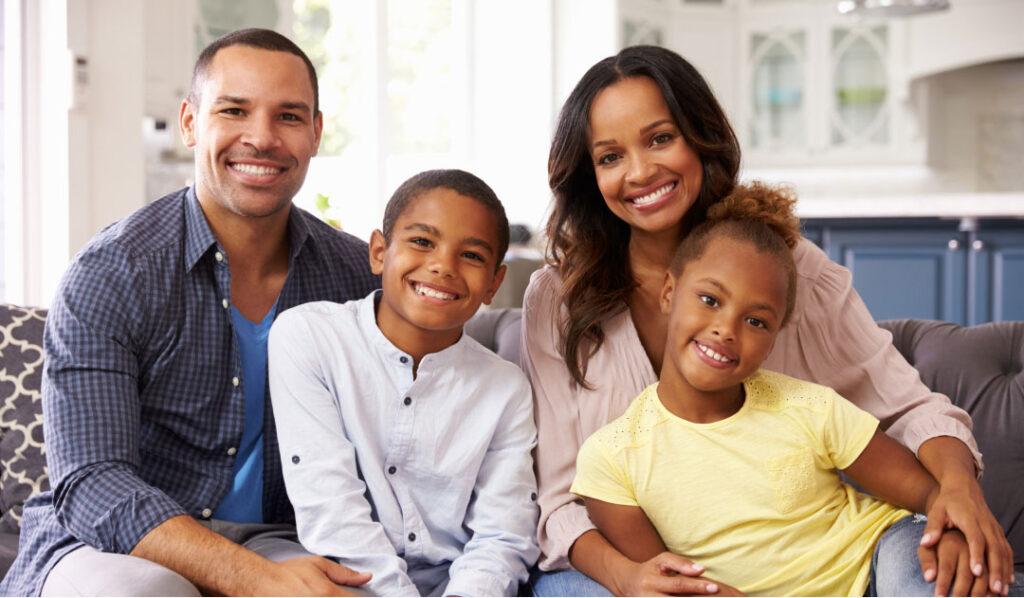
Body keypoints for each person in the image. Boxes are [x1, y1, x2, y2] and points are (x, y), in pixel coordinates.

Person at [521, 45, 1015, 597]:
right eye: (610, 156)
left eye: (661, 138)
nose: (639, 171)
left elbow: (907, 408)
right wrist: (634, 579)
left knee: (937, 565)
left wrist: (955, 493)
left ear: (700, 138)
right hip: (635, 568)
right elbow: (562, 501)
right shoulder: (559, 299)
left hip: (826, 558)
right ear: (590, 174)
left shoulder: (789, 265)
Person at [0, 28, 380, 596]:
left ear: (316, 133)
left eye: (289, 117)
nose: (262, 137)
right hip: (114, 544)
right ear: (190, 123)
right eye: (234, 110)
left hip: (284, 537)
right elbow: (92, 481)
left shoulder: (356, 277)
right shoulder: (112, 272)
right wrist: (250, 577)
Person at [572, 182, 972, 596]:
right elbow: (667, 581)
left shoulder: (811, 408)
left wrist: (955, 524)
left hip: (874, 560)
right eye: (710, 299)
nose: (726, 330)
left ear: (774, 337)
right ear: (670, 292)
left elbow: (927, 494)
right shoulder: (611, 459)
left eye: (756, 321)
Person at [267, 169, 541, 596]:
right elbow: (331, 507)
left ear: (494, 284)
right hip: (347, 579)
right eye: (422, 242)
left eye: (471, 255)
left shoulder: (506, 388)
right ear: (379, 252)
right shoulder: (308, 337)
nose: (442, 266)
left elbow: (503, 533)